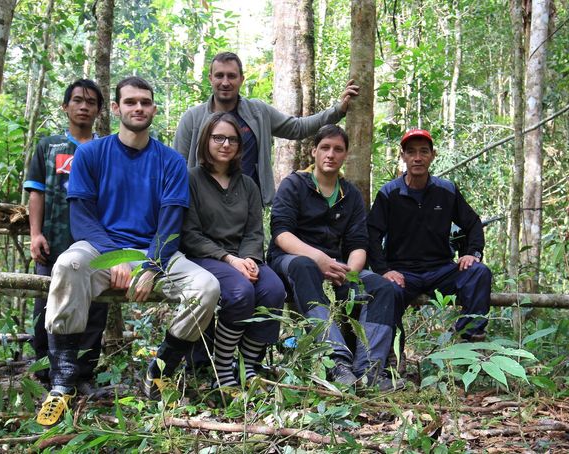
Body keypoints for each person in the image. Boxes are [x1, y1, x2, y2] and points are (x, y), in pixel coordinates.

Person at [36, 77, 220, 425]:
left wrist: (149, 265)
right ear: (117, 109)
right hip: (99, 247)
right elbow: (82, 218)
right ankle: (62, 383)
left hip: (155, 253)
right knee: (68, 265)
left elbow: (170, 224)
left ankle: (159, 370)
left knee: (206, 287)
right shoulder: (91, 153)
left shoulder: (170, 161)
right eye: (131, 102)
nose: (139, 108)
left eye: (146, 102)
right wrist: (117, 258)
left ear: (153, 108)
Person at [267, 125, 401, 390]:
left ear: (345, 155)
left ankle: (371, 370)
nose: (331, 154)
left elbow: (358, 243)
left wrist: (349, 273)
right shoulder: (294, 184)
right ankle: (336, 361)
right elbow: (281, 234)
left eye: (338, 149)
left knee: (383, 287)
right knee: (305, 266)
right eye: (325, 148)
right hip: (291, 259)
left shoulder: (349, 194)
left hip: (335, 264)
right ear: (314, 151)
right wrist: (319, 259)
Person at [180, 112, 286, 388]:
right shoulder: (191, 179)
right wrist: (229, 259)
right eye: (218, 138)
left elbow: (254, 231)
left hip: (242, 257)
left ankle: (248, 366)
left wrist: (249, 259)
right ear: (206, 141)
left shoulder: (247, 184)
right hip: (206, 257)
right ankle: (224, 368)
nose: (225, 144)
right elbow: (189, 233)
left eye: (232, 139)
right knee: (240, 292)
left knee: (273, 289)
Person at [174, 51, 359, 205]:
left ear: (241, 79)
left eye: (231, 76)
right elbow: (178, 168)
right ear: (210, 78)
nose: (225, 82)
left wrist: (337, 110)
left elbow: (297, 127)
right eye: (219, 75)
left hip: (248, 203)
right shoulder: (193, 119)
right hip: (203, 205)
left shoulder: (257, 112)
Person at [366, 128, 490, 343]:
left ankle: (467, 336)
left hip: (441, 270)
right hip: (403, 272)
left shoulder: (446, 190)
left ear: (433, 155)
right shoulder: (389, 194)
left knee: (478, 272)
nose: (417, 158)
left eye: (424, 152)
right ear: (403, 156)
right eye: (411, 152)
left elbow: (472, 223)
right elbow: (372, 234)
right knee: (386, 290)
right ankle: (392, 355)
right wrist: (384, 270)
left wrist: (472, 253)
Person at [23, 79, 108, 391]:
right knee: (45, 306)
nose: (83, 106)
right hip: (54, 240)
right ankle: (47, 373)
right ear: (65, 106)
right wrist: (35, 235)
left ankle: (83, 375)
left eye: (90, 102)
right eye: (77, 100)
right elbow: (36, 193)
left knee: (95, 307)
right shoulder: (49, 146)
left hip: (96, 244)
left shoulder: (106, 149)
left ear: (99, 110)